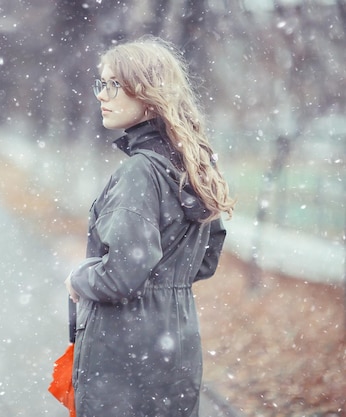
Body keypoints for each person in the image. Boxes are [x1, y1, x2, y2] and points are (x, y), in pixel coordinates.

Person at [64, 36, 235, 417]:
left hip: (122, 352)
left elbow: (120, 278)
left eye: (112, 85)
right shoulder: (193, 166)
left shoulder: (140, 172)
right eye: (100, 84)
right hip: (176, 346)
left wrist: (79, 279)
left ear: (146, 92)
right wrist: (166, 284)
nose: (101, 95)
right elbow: (206, 260)